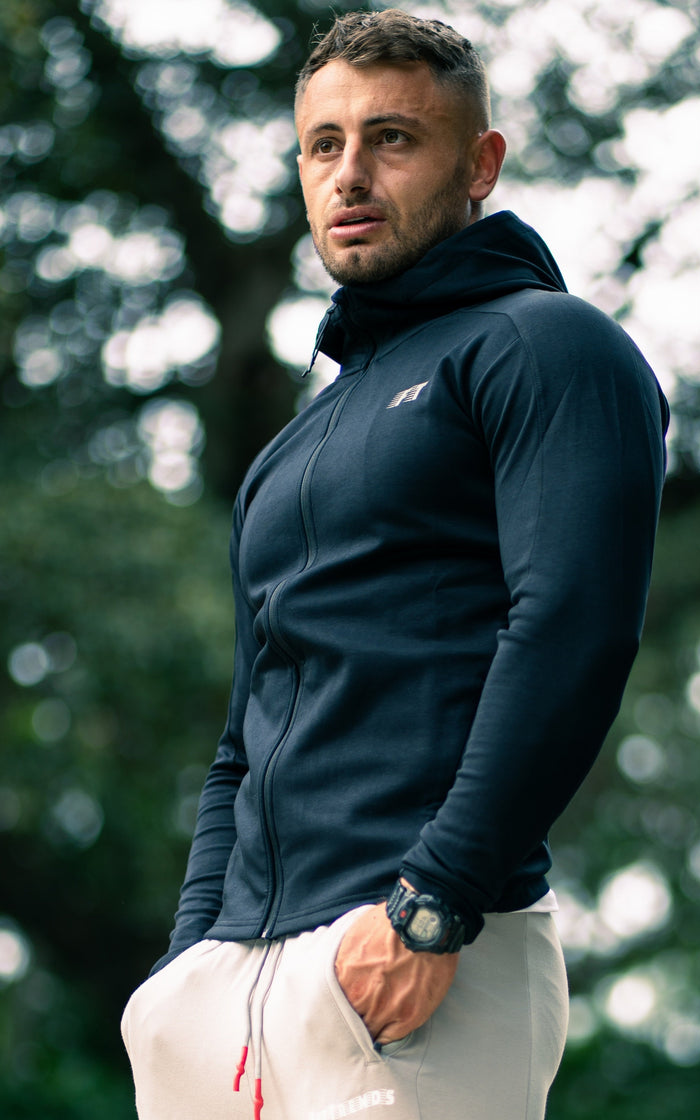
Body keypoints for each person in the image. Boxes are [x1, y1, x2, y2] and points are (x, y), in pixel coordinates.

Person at [121, 9, 669, 1120]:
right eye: (322, 145)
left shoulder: (546, 344)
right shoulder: (296, 440)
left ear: (479, 164)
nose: (349, 172)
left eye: (392, 138)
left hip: (419, 962)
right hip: (231, 987)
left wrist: (434, 904)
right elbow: (246, 728)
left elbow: (570, 624)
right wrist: (188, 962)